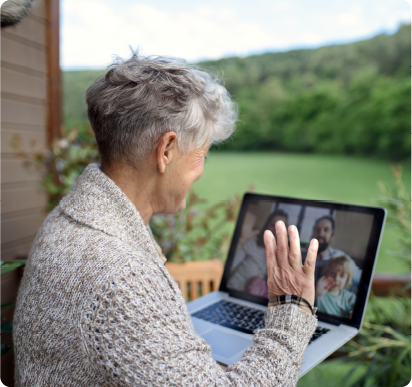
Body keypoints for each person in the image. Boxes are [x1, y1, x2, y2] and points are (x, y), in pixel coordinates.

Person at [13, 52, 319, 386]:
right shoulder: (121, 280)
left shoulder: (68, 219)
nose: (202, 170)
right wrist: (292, 312)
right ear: (166, 151)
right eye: (201, 154)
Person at [227, 209, 288, 296]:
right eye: (272, 225)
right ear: (267, 225)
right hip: (234, 292)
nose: (275, 231)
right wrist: (242, 241)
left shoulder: (280, 256)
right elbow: (231, 265)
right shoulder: (252, 242)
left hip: (254, 300)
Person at [302, 215, 361, 287]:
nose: (321, 233)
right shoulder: (300, 256)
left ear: (332, 236)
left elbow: (360, 278)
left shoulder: (340, 258)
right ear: (312, 233)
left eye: (326, 230)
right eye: (317, 229)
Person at [315, 255, 356, 319]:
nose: (336, 278)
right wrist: (315, 292)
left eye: (342, 276)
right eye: (332, 273)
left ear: (347, 280)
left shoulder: (350, 298)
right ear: (326, 273)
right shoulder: (318, 291)